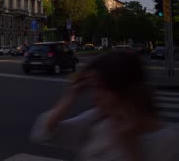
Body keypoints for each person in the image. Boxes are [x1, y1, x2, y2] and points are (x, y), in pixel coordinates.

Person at [31, 50, 179, 161]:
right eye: (92, 87)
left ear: (123, 89)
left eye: (100, 87)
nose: (94, 97)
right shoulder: (99, 119)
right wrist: (72, 95)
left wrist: (129, 145)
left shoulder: (169, 142)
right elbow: (46, 132)